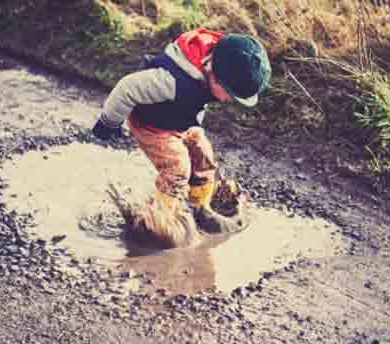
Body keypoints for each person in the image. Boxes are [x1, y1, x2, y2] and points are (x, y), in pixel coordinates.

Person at [92, 28, 271, 213]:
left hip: (181, 121)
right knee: (177, 168)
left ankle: (199, 208)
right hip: (152, 125)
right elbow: (127, 88)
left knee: (204, 157)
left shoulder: (213, 69)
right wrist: (109, 123)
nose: (230, 100)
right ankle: (160, 218)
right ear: (213, 73)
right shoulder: (171, 81)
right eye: (231, 94)